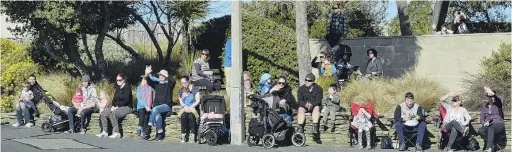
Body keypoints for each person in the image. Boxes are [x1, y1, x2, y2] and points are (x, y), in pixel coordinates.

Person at [144, 65, 176, 141]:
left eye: (162, 75)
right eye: (160, 75)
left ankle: (149, 127)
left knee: (154, 109)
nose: (160, 76)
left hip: (166, 106)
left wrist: (166, 74)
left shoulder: (169, 85)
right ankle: (160, 134)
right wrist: (147, 73)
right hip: (157, 107)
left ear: (165, 76)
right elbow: (148, 81)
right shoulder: (157, 84)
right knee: (157, 116)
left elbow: (173, 81)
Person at [97, 73, 133, 138]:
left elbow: (126, 100)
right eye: (117, 80)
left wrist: (117, 106)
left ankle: (117, 132)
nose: (118, 82)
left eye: (120, 80)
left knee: (112, 114)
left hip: (126, 107)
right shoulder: (118, 88)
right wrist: (113, 106)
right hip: (116, 107)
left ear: (124, 79)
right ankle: (104, 131)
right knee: (104, 113)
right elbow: (114, 99)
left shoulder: (127, 88)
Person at [296, 73, 323, 143]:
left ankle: (315, 128)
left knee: (317, 108)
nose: (307, 82)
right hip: (305, 106)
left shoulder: (319, 89)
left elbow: (318, 100)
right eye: (306, 80)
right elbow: (299, 101)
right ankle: (300, 129)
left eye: (309, 80)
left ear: (313, 81)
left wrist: (312, 105)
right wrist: (305, 105)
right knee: (300, 109)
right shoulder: (301, 89)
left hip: (314, 105)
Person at [478, 86, 505, 152]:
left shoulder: (498, 105)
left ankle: (489, 148)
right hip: (488, 125)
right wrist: (484, 123)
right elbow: (481, 119)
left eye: (493, 96)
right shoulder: (484, 108)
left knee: (491, 128)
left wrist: (492, 93)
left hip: (498, 124)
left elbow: (498, 99)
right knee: (481, 131)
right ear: (488, 98)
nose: (492, 98)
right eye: (490, 96)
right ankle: (493, 145)